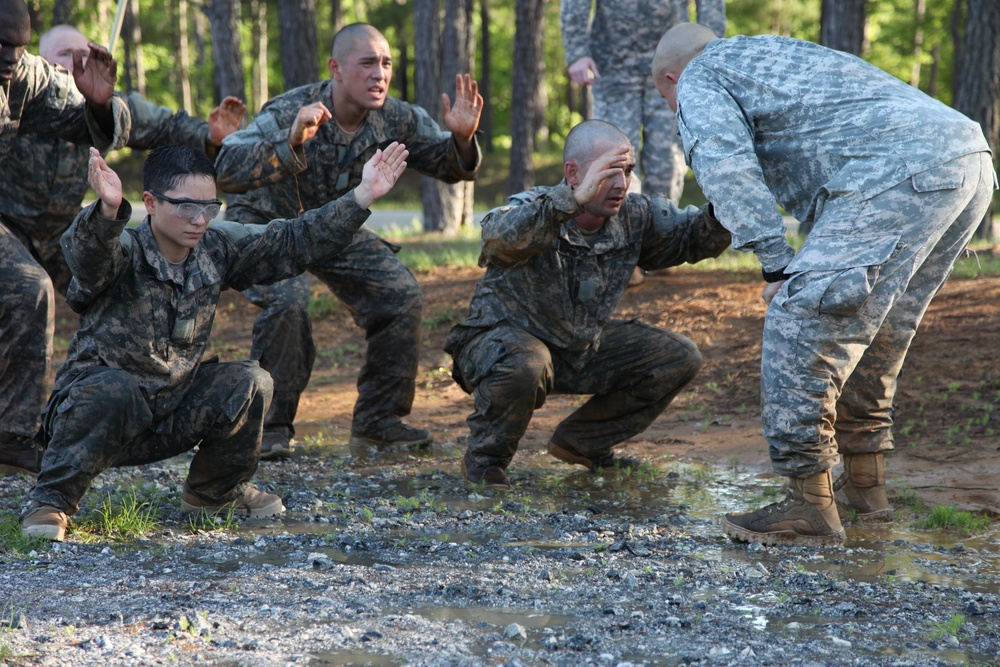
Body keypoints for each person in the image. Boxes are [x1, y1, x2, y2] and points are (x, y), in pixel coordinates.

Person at [652, 23, 997, 546]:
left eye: (668, 100)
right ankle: (865, 487)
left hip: (896, 170)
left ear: (672, 78)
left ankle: (809, 507)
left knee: (798, 318)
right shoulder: (769, 51)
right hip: (966, 158)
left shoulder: (699, 78)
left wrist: (774, 264)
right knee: (876, 329)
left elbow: (726, 165)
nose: (677, 110)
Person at [20, 141, 410, 541]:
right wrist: (106, 211)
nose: (200, 219)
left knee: (251, 382)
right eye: (187, 207)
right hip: (99, 415)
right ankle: (51, 501)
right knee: (112, 389)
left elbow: (293, 241)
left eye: (209, 207)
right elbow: (87, 259)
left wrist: (362, 195)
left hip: (171, 411)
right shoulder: (125, 252)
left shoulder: (216, 248)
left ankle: (213, 493)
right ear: (151, 203)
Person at [215, 23, 483, 459]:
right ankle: (271, 427)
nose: (379, 74)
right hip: (267, 224)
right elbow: (226, 167)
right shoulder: (291, 110)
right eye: (367, 63)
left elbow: (449, 164)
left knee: (400, 295)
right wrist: (290, 141)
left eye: (387, 63)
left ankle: (379, 420)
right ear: (336, 69)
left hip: (335, 225)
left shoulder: (396, 117)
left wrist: (462, 139)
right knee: (288, 301)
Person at [0, 24, 245, 478]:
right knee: (27, 288)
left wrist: (209, 137)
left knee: (125, 273)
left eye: (81, 56)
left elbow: (162, 125)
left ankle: (123, 400)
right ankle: (15, 431)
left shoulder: (96, 106)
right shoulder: (20, 91)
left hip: (67, 238)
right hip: (9, 229)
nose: (71, 68)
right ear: (39, 63)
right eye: (62, 60)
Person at [444, 120, 731, 490]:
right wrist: (571, 201)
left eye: (627, 171)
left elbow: (694, 239)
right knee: (526, 362)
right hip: (498, 349)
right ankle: (486, 461)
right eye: (609, 171)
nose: (621, 183)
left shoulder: (634, 215)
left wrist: (727, 200)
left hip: (575, 349)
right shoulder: (535, 206)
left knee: (677, 356)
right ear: (573, 173)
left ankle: (583, 442)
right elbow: (497, 241)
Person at [0, 0, 130, 475]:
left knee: (31, 286)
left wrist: (97, 102)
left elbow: (80, 125)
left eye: (18, 46)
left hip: (39, 233)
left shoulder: (26, 76)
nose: (9, 57)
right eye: (0, 45)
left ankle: (15, 436)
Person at [560, 0, 724, 200]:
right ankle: (619, 228)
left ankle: (662, 227)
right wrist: (577, 52)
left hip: (672, 65)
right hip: (612, 67)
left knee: (667, 166)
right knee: (612, 159)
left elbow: (711, 5)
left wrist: (709, 55)